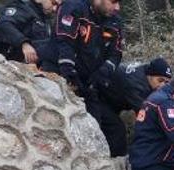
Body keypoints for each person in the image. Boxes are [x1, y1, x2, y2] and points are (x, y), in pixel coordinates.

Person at [50, 0, 124, 155]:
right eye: (114, 2)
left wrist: (102, 73)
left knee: (103, 128)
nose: (117, 7)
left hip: (91, 82)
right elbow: (64, 42)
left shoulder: (114, 21)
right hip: (61, 74)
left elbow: (116, 53)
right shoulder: (74, 7)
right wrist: (68, 75)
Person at [96, 57, 173, 155]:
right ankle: (117, 161)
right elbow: (146, 114)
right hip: (98, 96)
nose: (163, 85)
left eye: (166, 82)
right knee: (117, 130)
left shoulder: (147, 71)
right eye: (160, 80)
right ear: (150, 76)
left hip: (112, 98)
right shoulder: (137, 84)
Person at [0, 0, 60, 67]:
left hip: (31, 67)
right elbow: (4, 26)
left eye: (58, 6)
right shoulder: (22, 7)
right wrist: (24, 44)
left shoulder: (45, 19)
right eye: (53, 3)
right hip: (6, 62)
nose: (55, 9)